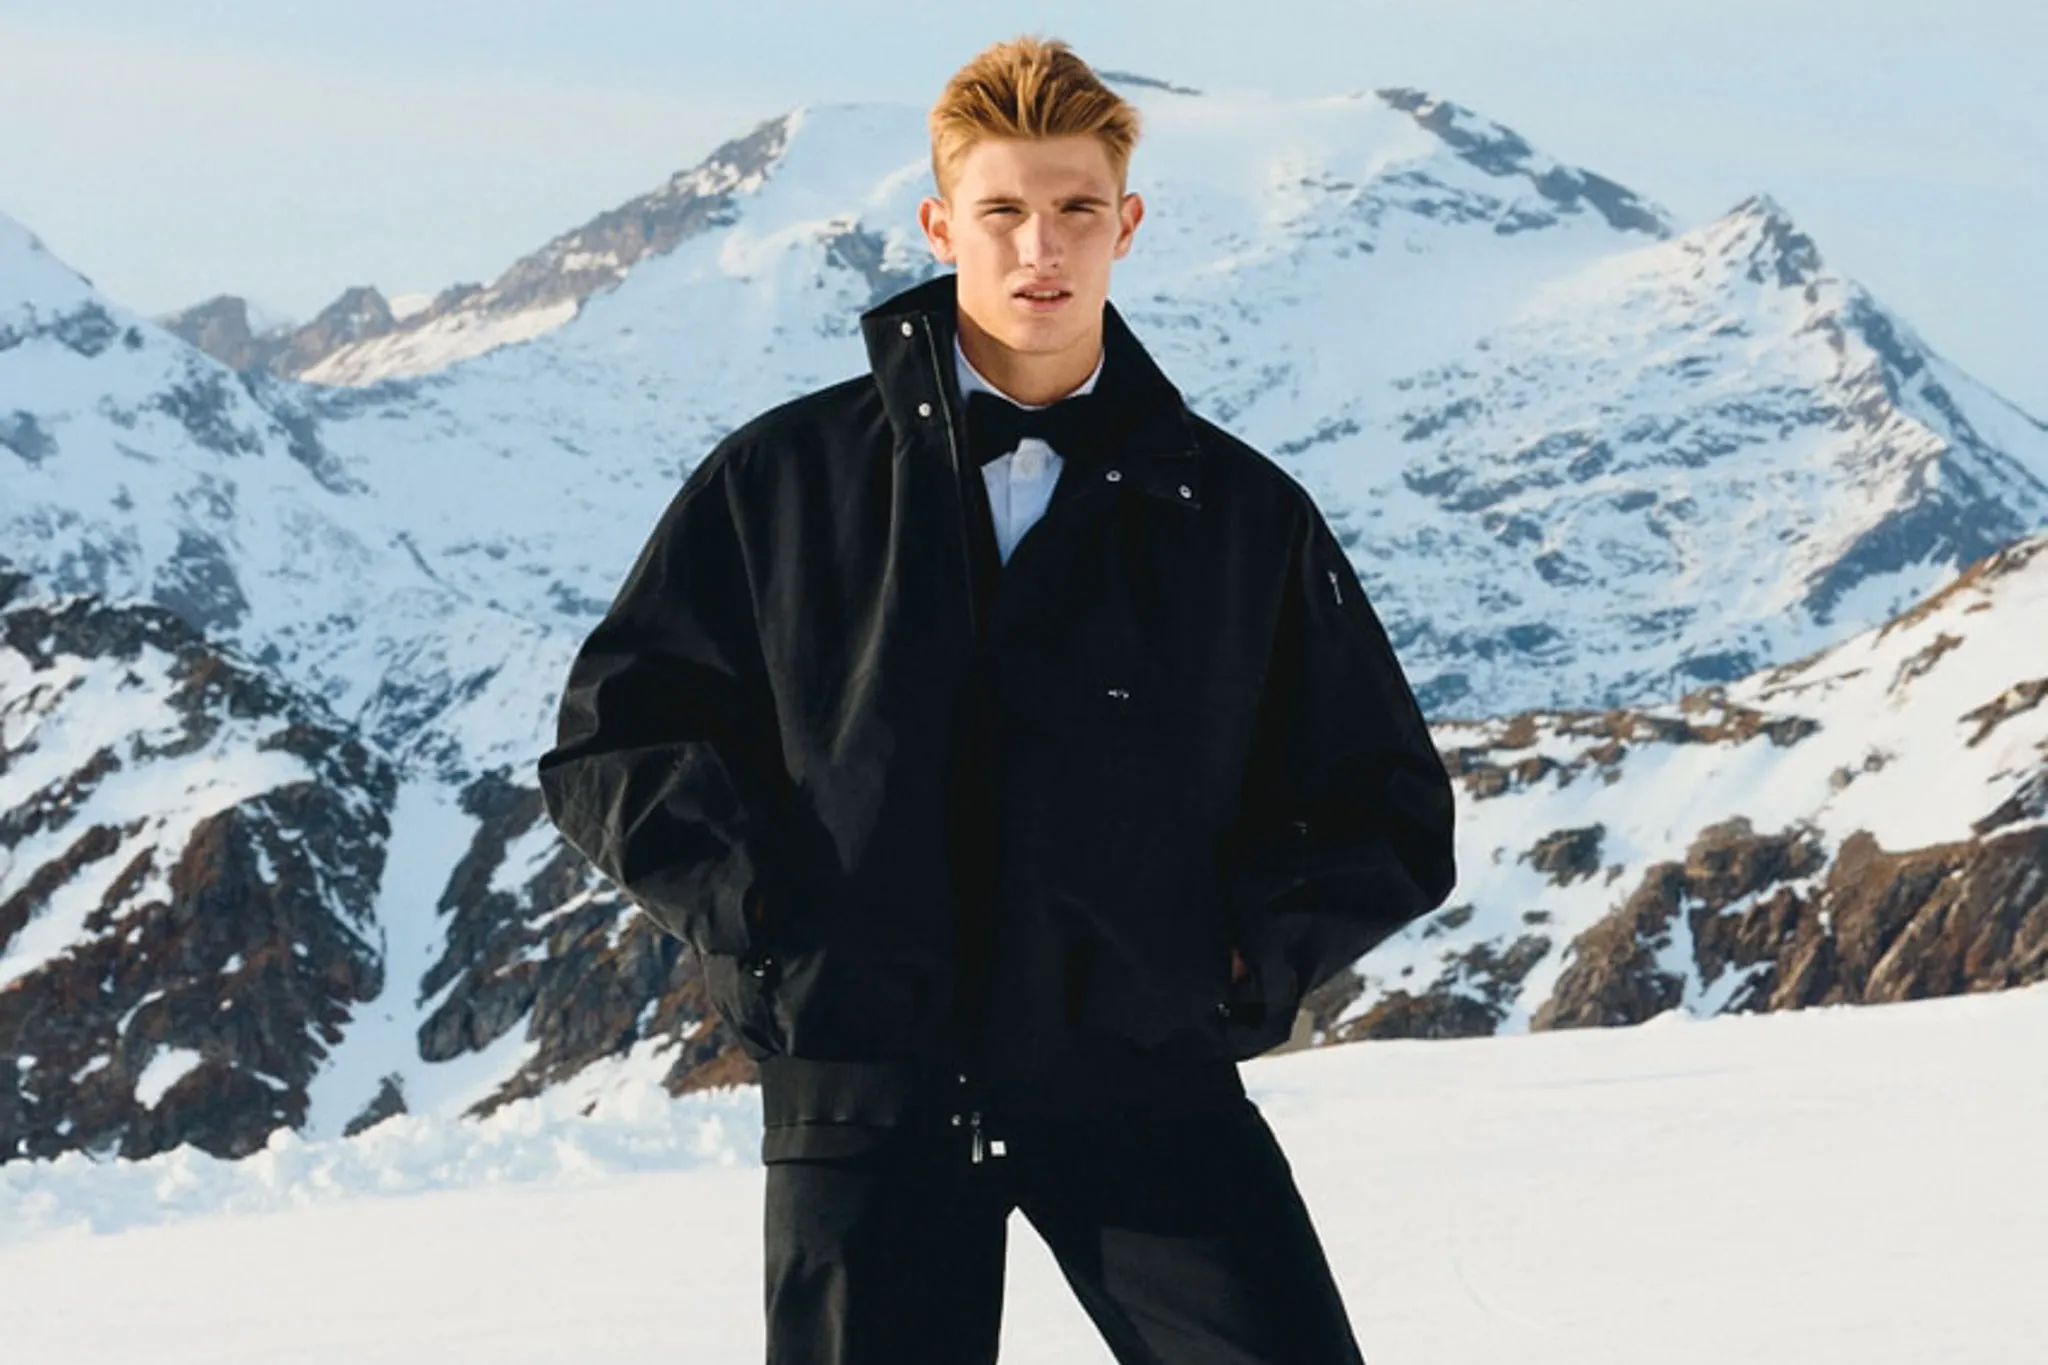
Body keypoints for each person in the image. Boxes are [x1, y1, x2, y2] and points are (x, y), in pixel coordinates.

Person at [537, 34, 1457, 1365]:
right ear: (939, 222)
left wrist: (1230, 964)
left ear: (1126, 223)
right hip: (865, 1083)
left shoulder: (1240, 515)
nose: (1045, 249)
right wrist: (778, 926)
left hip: (1142, 1077)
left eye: (1078, 209)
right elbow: (618, 737)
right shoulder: (781, 482)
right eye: (1006, 212)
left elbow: (1383, 801)